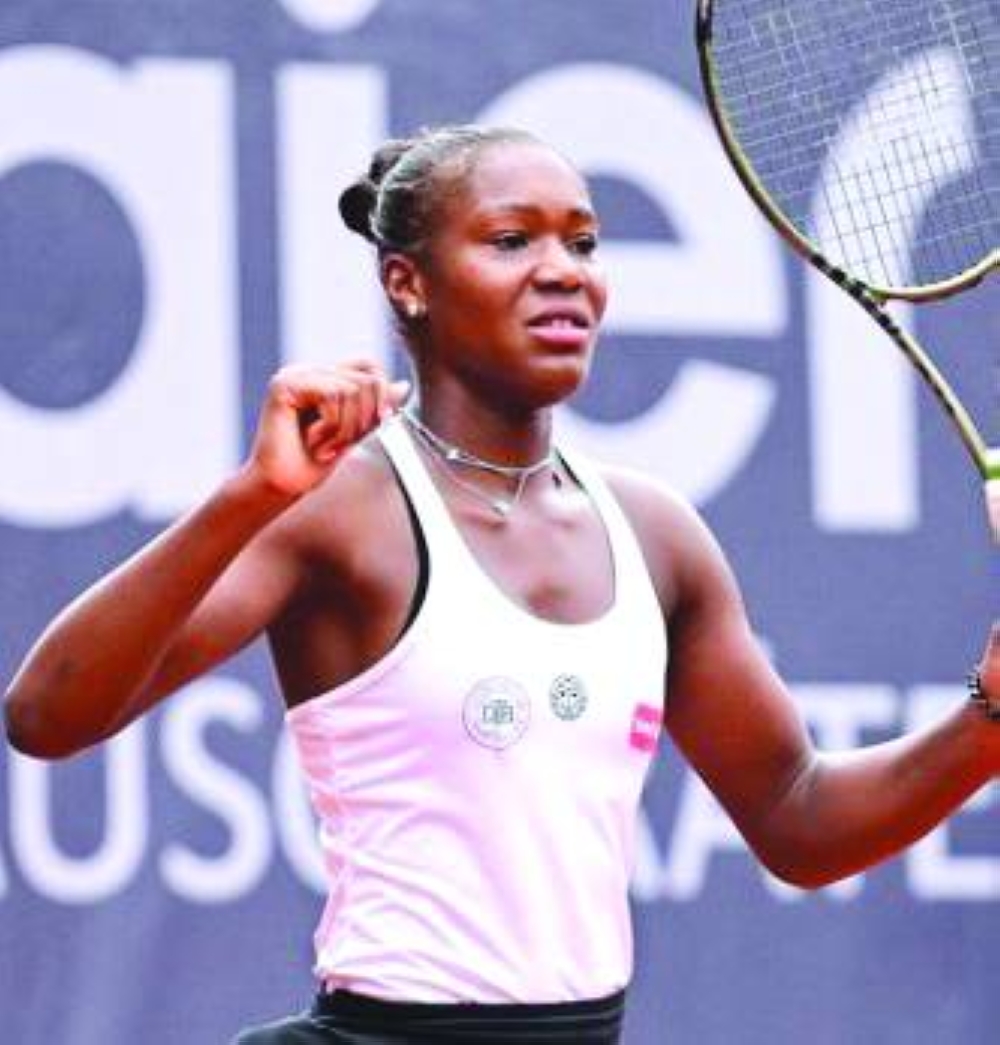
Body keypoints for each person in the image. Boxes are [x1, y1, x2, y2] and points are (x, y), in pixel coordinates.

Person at [4, 123, 1000, 1045]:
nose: (563, 271)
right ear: (407, 283)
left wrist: (988, 714)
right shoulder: (341, 513)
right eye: (512, 240)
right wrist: (252, 496)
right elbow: (47, 715)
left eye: (584, 242)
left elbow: (798, 817)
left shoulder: (657, 536)